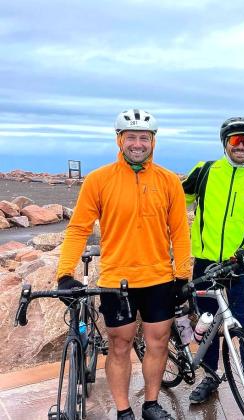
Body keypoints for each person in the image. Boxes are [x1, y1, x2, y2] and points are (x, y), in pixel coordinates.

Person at [56, 109, 191, 420]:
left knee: (157, 343)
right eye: (131, 137)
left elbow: (180, 232)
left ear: (153, 142)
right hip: (118, 280)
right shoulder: (99, 180)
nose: (138, 143)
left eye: (145, 137)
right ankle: (123, 410)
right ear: (119, 139)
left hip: (159, 277)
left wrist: (182, 275)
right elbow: (78, 229)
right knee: (120, 346)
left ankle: (151, 405)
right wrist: (64, 273)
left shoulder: (169, 181)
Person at [181, 117, 244, 413]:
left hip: (240, 267)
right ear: (225, 143)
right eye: (237, 140)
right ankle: (210, 377)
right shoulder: (205, 172)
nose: (242, 147)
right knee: (207, 323)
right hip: (207, 264)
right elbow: (175, 201)